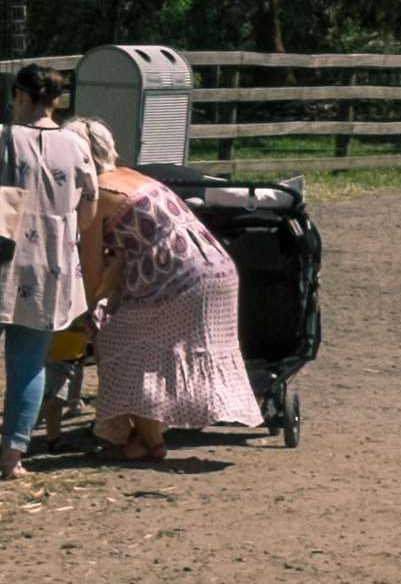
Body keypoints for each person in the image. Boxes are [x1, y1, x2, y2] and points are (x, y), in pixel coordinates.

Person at [0, 62, 97, 479]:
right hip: (50, 268)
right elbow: (90, 207)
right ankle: (13, 457)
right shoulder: (76, 144)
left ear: (23, 97)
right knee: (29, 364)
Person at [80, 151, 264, 462]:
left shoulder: (95, 194)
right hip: (214, 266)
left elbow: (92, 271)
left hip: (176, 280)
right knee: (148, 350)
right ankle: (140, 435)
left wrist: (83, 307)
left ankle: (151, 442)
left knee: (115, 341)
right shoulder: (134, 177)